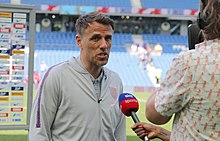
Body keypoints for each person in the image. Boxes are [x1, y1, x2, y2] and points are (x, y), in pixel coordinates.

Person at [29, 12, 126, 141]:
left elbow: (119, 134)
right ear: (79, 41)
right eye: (96, 38)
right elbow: (38, 133)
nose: (104, 45)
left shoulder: (115, 81)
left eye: (108, 38)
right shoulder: (57, 76)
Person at [132, 0, 220, 140]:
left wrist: (172, 79)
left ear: (203, 20)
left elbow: (154, 115)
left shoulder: (190, 63)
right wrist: (162, 133)